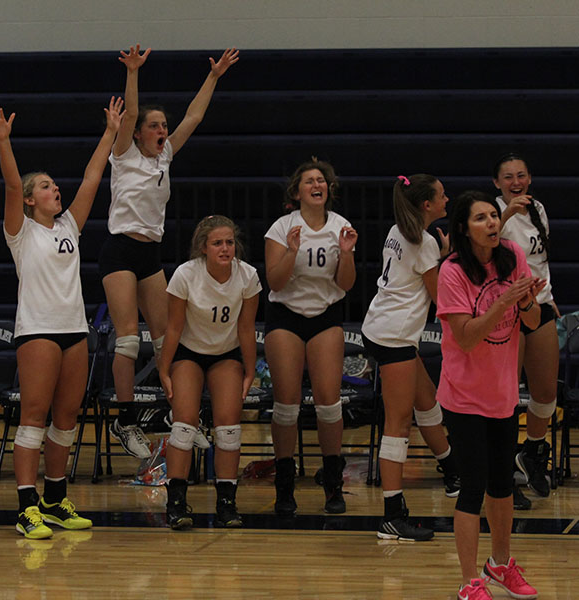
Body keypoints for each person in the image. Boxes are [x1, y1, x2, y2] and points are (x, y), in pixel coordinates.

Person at [0, 96, 123, 539]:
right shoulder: (21, 231)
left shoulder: (68, 227)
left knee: (67, 417)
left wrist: (110, 132)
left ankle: (54, 499)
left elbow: (92, 177)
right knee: (34, 415)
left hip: (73, 331)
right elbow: (10, 186)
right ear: (30, 199)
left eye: (52, 185)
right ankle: (27, 507)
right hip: (38, 331)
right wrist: (4, 142)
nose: (54, 189)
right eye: (44, 186)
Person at [103, 45, 239, 459]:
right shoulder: (124, 153)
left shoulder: (165, 155)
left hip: (151, 254)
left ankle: (177, 415)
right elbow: (129, 113)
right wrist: (133, 72)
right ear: (140, 131)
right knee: (127, 341)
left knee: (168, 342)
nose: (163, 130)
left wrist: (214, 76)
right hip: (120, 251)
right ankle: (125, 419)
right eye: (156, 125)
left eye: (165, 125)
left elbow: (194, 116)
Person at [437, 190, 541, 600]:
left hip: (501, 392)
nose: (492, 223)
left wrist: (528, 302)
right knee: (474, 487)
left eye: (494, 216)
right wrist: (504, 303)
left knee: (502, 485)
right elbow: (464, 338)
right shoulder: (452, 271)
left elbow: (530, 320)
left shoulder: (513, 255)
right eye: (481, 218)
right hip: (463, 396)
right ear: (464, 228)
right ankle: (468, 582)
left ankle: (499, 564)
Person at [361, 174, 460, 542]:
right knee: (399, 424)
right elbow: (442, 298)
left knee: (426, 399)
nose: (447, 199)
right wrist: (449, 257)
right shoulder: (424, 243)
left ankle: (453, 471)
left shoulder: (399, 228)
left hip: (381, 326)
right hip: (394, 336)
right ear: (426, 205)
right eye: (441, 195)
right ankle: (392, 514)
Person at [264, 159, 358, 515]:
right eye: (309, 181)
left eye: (322, 181)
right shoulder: (281, 227)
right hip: (286, 316)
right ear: (297, 191)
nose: (317, 185)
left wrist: (346, 255)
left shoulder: (341, 227)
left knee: (328, 404)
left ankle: (334, 486)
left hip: (326, 315)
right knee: (286, 407)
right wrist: (291, 251)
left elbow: (346, 284)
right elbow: (275, 282)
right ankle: (285, 487)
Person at [158, 215, 260, 530]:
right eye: (218, 243)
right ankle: (176, 502)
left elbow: (246, 328)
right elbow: (173, 327)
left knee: (228, 427)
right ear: (204, 247)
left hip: (226, 354)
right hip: (188, 352)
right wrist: (163, 368)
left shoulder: (248, 276)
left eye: (230, 242)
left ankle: (226, 503)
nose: (225, 248)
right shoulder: (185, 275)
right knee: (184, 424)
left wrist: (250, 369)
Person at [492, 154, 558, 500]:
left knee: (546, 392)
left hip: (540, 304)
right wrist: (504, 213)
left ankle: (531, 454)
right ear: (497, 183)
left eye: (520, 175)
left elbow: (540, 260)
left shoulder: (539, 209)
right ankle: (501, 473)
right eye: (508, 177)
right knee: (506, 397)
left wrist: (549, 293)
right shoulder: (491, 212)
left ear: (529, 178)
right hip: (507, 311)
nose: (515, 182)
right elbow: (483, 246)